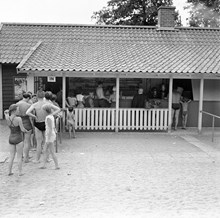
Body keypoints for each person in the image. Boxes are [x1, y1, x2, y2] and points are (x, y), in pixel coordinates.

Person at [26, 90, 60, 163]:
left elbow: (27, 112)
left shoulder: (35, 104)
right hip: (45, 123)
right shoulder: (47, 103)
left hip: (38, 123)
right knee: (46, 141)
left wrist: (34, 116)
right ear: (44, 96)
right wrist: (51, 114)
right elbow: (58, 109)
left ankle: (37, 159)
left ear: (37, 96)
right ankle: (47, 158)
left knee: (38, 143)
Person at [4, 104, 30, 176]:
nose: (19, 111)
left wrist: (6, 112)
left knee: (11, 156)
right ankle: (20, 172)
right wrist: (27, 131)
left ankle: (9, 171)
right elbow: (22, 129)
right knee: (19, 156)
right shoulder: (18, 119)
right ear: (14, 111)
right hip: (18, 138)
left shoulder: (7, 118)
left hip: (11, 138)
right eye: (18, 110)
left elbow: (5, 112)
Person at [39, 104, 60, 170]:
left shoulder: (48, 117)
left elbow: (50, 128)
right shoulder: (51, 116)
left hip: (49, 135)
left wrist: (48, 139)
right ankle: (45, 164)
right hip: (50, 135)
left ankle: (55, 165)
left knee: (49, 150)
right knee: (46, 150)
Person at [16, 92, 33, 163]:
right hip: (27, 122)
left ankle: (21, 156)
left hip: (19, 123)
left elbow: (16, 114)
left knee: (20, 141)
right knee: (27, 141)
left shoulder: (17, 104)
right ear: (28, 98)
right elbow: (31, 115)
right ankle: (26, 157)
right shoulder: (29, 105)